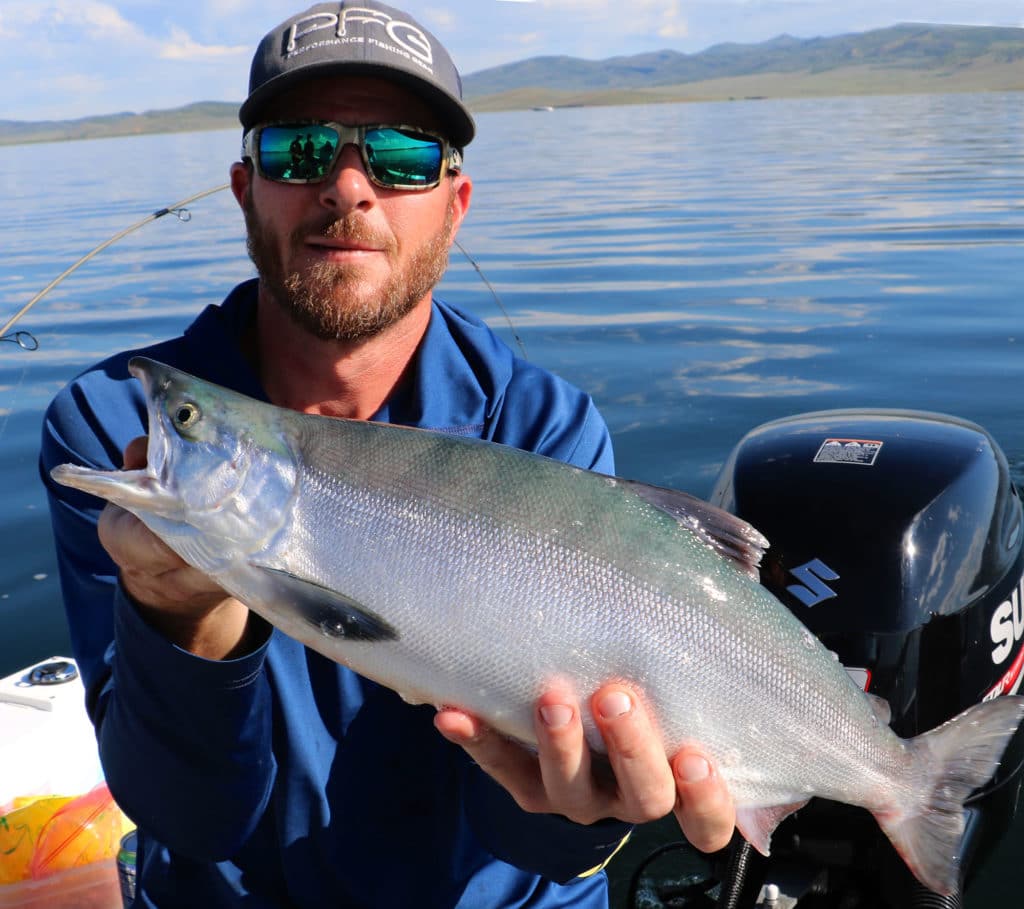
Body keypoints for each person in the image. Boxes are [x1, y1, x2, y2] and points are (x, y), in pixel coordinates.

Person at [40, 2, 735, 906]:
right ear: (247, 186)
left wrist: (584, 807)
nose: (350, 188)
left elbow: (534, 849)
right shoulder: (125, 425)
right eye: (302, 150)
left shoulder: (540, 429)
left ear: (456, 206)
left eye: (402, 157)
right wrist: (181, 620)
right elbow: (190, 818)